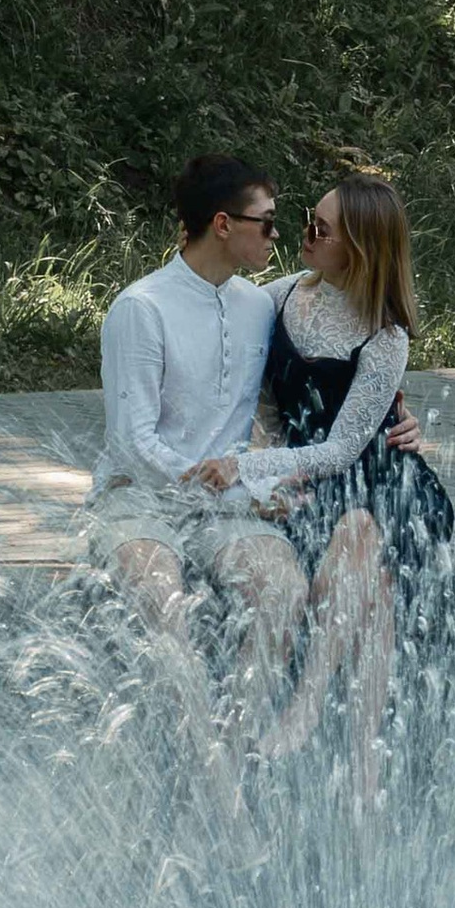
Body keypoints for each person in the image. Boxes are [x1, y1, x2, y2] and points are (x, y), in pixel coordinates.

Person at [190, 170, 453, 802]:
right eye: (308, 218)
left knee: (360, 528)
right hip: (302, 475)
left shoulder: (384, 334)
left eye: (320, 228)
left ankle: (306, 707)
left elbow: (342, 448)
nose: (304, 233)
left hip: (375, 475)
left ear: (357, 249)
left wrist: (253, 469)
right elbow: (259, 405)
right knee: (374, 599)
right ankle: (364, 789)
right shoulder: (278, 297)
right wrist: (261, 465)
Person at [89, 153, 309, 721]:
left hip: (229, 505)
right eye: (266, 221)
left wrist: (392, 413)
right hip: (141, 498)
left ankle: (238, 742)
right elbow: (134, 442)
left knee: (282, 593)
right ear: (222, 223)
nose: (275, 233)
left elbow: (344, 308)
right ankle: (212, 776)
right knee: (162, 605)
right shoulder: (141, 308)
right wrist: (235, 490)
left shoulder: (261, 304)